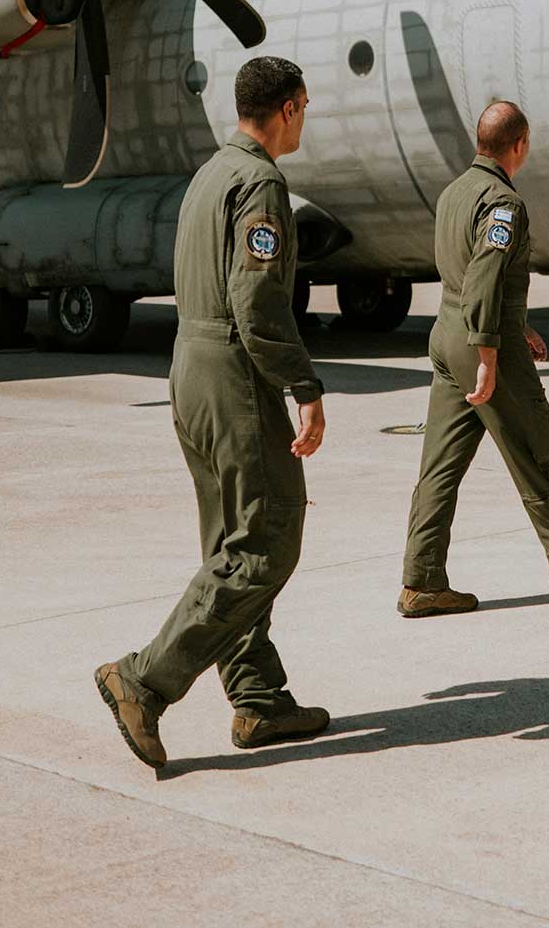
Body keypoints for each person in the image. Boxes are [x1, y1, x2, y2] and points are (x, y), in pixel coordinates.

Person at [95, 57, 330, 769]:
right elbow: (256, 303)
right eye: (304, 106)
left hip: (189, 371)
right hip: (232, 376)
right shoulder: (260, 183)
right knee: (265, 544)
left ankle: (258, 697)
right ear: (287, 109)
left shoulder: (209, 174)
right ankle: (143, 680)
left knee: (232, 542)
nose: (305, 118)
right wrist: (304, 385)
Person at [398, 101, 549, 618]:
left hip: (447, 335)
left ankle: (422, 582)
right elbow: (485, 275)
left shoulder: (453, 193)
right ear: (520, 145)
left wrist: (517, 324)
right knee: (534, 450)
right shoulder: (503, 202)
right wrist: (490, 353)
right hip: (483, 344)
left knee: (439, 467)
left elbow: (465, 273)